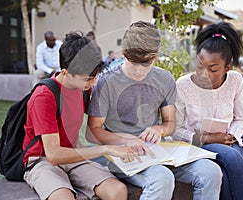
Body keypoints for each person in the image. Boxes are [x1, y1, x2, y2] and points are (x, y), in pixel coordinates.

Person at [87, 21, 222, 200]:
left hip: (157, 151)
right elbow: (92, 131)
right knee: (162, 178)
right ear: (124, 54)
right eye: (133, 63)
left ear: (155, 57)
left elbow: (170, 123)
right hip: (122, 154)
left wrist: (159, 129)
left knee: (211, 171)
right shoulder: (106, 82)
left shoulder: (165, 79)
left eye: (146, 64)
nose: (138, 71)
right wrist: (125, 139)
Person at [23, 31, 140, 200]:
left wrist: (127, 139)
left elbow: (95, 130)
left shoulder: (83, 89)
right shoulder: (44, 96)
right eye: (88, 79)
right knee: (64, 197)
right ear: (65, 73)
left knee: (117, 190)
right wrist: (106, 149)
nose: (93, 83)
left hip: (75, 154)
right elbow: (54, 155)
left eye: (94, 77)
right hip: (42, 161)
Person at [173, 22, 243, 200]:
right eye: (200, 66)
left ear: (227, 68)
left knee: (225, 169)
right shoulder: (183, 86)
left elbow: (241, 119)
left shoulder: (235, 80)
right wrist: (207, 138)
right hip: (193, 143)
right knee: (232, 159)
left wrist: (230, 136)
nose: (204, 74)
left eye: (213, 69)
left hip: (228, 142)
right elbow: (175, 130)